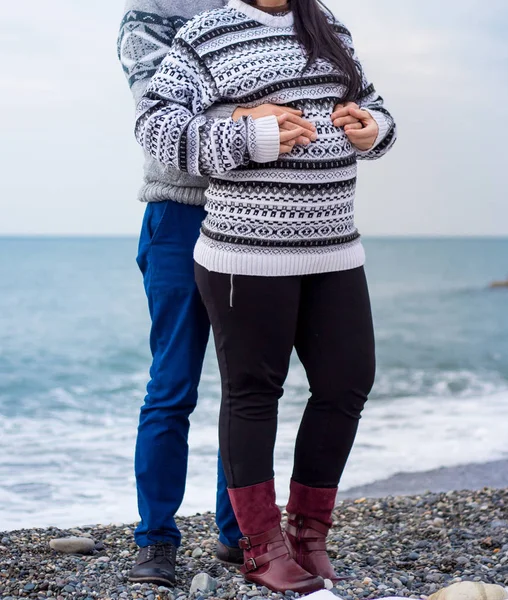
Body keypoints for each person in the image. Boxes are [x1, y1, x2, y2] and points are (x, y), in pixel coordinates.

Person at [134, 0, 397, 593]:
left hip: (333, 245)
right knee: (244, 391)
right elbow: (156, 126)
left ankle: (307, 537)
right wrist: (249, 135)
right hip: (243, 247)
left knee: (347, 382)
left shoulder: (328, 25)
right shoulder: (202, 32)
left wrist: (374, 128)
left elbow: (373, 102)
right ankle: (250, 546)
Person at [117, 0, 318, 587]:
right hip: (180, 213)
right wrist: (252, 112)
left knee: (250, 386)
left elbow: (301, 101)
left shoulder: (272, 10)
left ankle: (242, 533)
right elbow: (159, 118)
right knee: (172, 385)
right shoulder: (151, 12)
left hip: (258, 213)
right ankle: (155, 539)